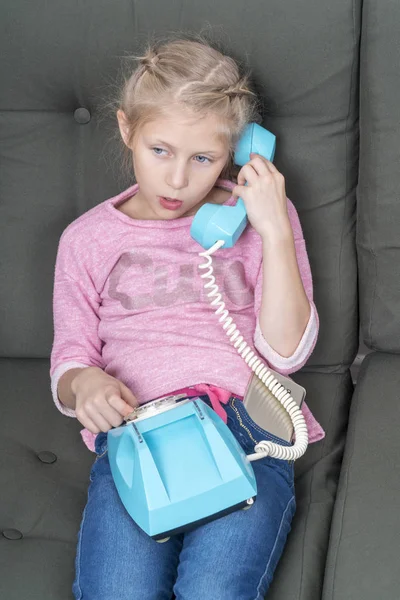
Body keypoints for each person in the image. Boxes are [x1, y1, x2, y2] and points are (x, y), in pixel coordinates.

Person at [50, 35, 325, 600]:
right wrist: (86, 385)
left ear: (239, 152)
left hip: (245, 427)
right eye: (160, 151)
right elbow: (70, 361)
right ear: (127, 129)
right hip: (139, 435)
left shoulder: (259, 218)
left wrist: (271, 228)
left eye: (204, 158)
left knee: (215, 591)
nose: (178, 180)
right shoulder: (87, 240)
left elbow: (287, 354)